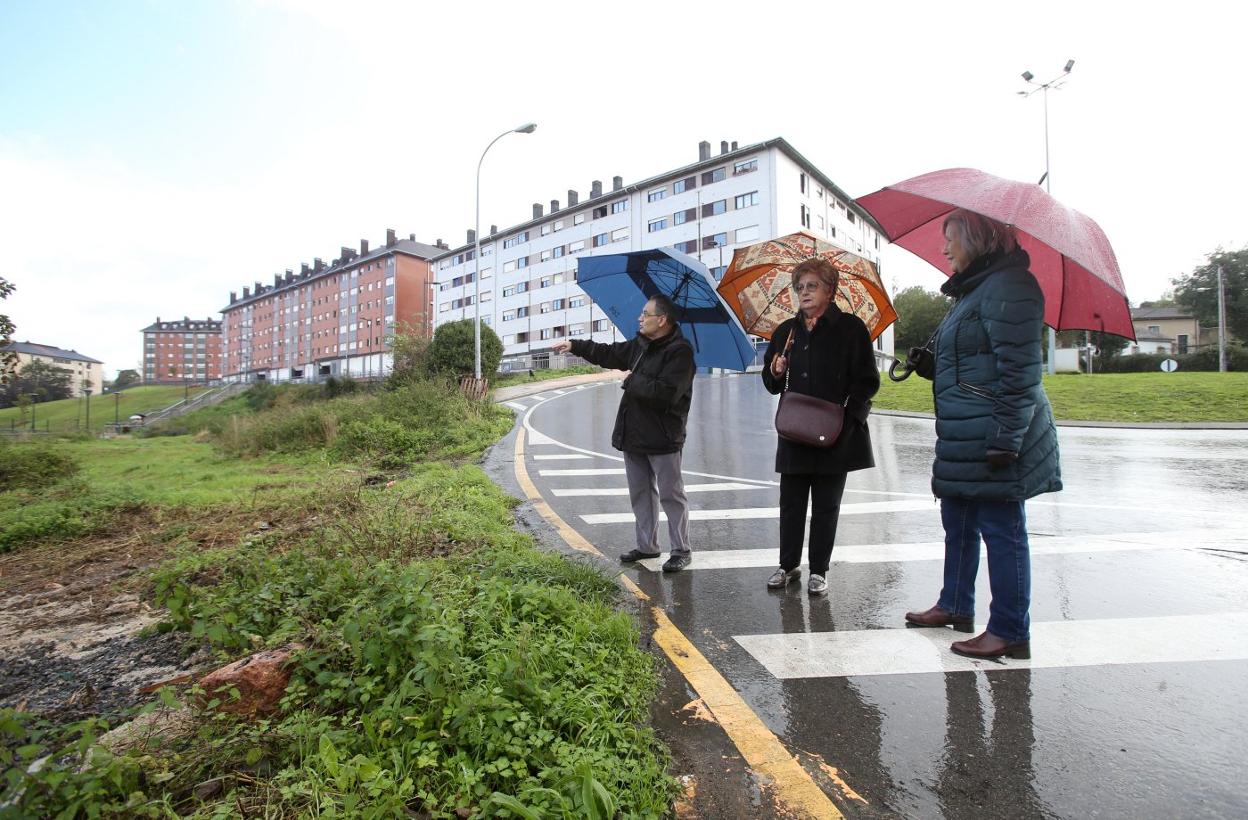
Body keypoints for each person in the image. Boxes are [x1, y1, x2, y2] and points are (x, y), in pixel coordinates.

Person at [904, 209, 1062, 659]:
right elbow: (975, 361)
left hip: (993, 433)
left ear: (978, 238)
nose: (943, 248)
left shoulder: (1011, 287)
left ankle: (1011, 630)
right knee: (958, 521)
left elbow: (1021, 374)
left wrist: (1005, 438)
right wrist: (932, 366)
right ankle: (955, 604)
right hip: (965, 435)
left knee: (1001, 529)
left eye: (951, 238)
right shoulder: (975, 291)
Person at [551, 294, 696, 572]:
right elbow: (609, 353)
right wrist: (575, 345)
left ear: (662, 320)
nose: (640, 318)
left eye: (646, 314)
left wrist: (633, 381)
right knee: (641, 494)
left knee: (670, 495)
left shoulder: (681, 352)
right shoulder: (641, 345)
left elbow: (667, 394)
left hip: (664, 437)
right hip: (634, 434)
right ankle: (647, 546)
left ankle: (680, 549)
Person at [761, 257, 879, 596]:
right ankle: (787, 565)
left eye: (811, 286)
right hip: (795, 432)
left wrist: (849, 419)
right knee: (791, 503)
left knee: (827, 506)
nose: (804, 292)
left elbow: (867, 382)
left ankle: (819, 570)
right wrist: (776, 370)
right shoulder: (787, 331)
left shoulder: (851, 328)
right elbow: (771, 384)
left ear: (829, 289)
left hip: (834, 435)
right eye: (800, 287)